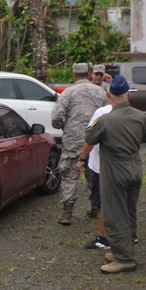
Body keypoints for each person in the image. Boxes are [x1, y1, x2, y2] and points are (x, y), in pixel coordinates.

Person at [84, 75, 146, 274]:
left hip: (115, 171)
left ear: (109, 95)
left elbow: (89, 136)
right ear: (128, 96)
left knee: (115, 214)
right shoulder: (140, 116)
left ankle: (125, 260)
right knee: (129, 211)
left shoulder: (105, 120)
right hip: (135, 168)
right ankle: (122, 250)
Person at [50, 62, 106, 225]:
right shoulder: (100, 92)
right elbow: (106, 114)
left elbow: (56, 118)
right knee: (94, 173)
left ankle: (67, 212)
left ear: (74, 75)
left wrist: (64, 127)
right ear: (89, 74)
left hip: (73, 140)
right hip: (94, 140)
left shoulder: (68, 93)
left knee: (69, 175)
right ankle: (96, 208)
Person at [77, 100, 113, 249]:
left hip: (100, 166)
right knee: (123, 201)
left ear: (108, 94)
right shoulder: (133, 113)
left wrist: (82, 159)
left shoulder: (101, 113)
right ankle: (130, 235)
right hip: (123, 167)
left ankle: (103, 238)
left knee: (101, 203)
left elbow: (91, 139)